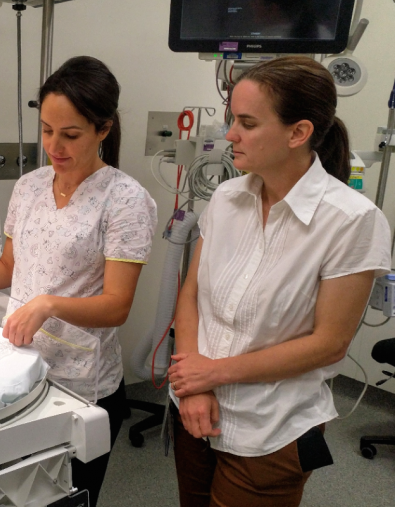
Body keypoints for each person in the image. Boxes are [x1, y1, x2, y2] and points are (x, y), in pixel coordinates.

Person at [0, 56, 158, 506]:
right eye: (47, 130)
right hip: (20, 371)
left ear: (103, 129)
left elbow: (116, 305)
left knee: (66, 497)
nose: (55, 145)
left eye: (70, 134)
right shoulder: (30, 187)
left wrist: (48, 304)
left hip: (81, 385)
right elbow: (8, 270)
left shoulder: (126, 200)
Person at [167, 56, 391, 507]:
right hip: (193, 408)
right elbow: (191, 295)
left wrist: (212, 373)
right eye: (233, 119)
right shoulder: (228, 198)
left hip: (270, 430)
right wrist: (196, 386)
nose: (230, 135)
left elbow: (328, 345)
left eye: (247, 123)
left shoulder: (352, 221)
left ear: (298, 133)